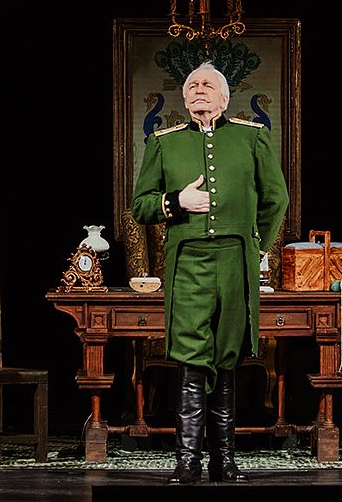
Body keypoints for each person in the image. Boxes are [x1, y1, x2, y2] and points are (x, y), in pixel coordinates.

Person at [131, 61, 289, 484]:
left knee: (226, 354)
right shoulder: (164, 142)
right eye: (193, 85)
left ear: (224, 98)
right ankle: (187, 462)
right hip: (188, 263)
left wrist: (256, 245)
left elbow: (276, 198)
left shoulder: (252, 137)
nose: (199, 89)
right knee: (190, 355)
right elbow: (140, 205)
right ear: (185, 99)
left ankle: (224, 460)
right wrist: (176, 201)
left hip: (235, 261)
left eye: (208, 84)